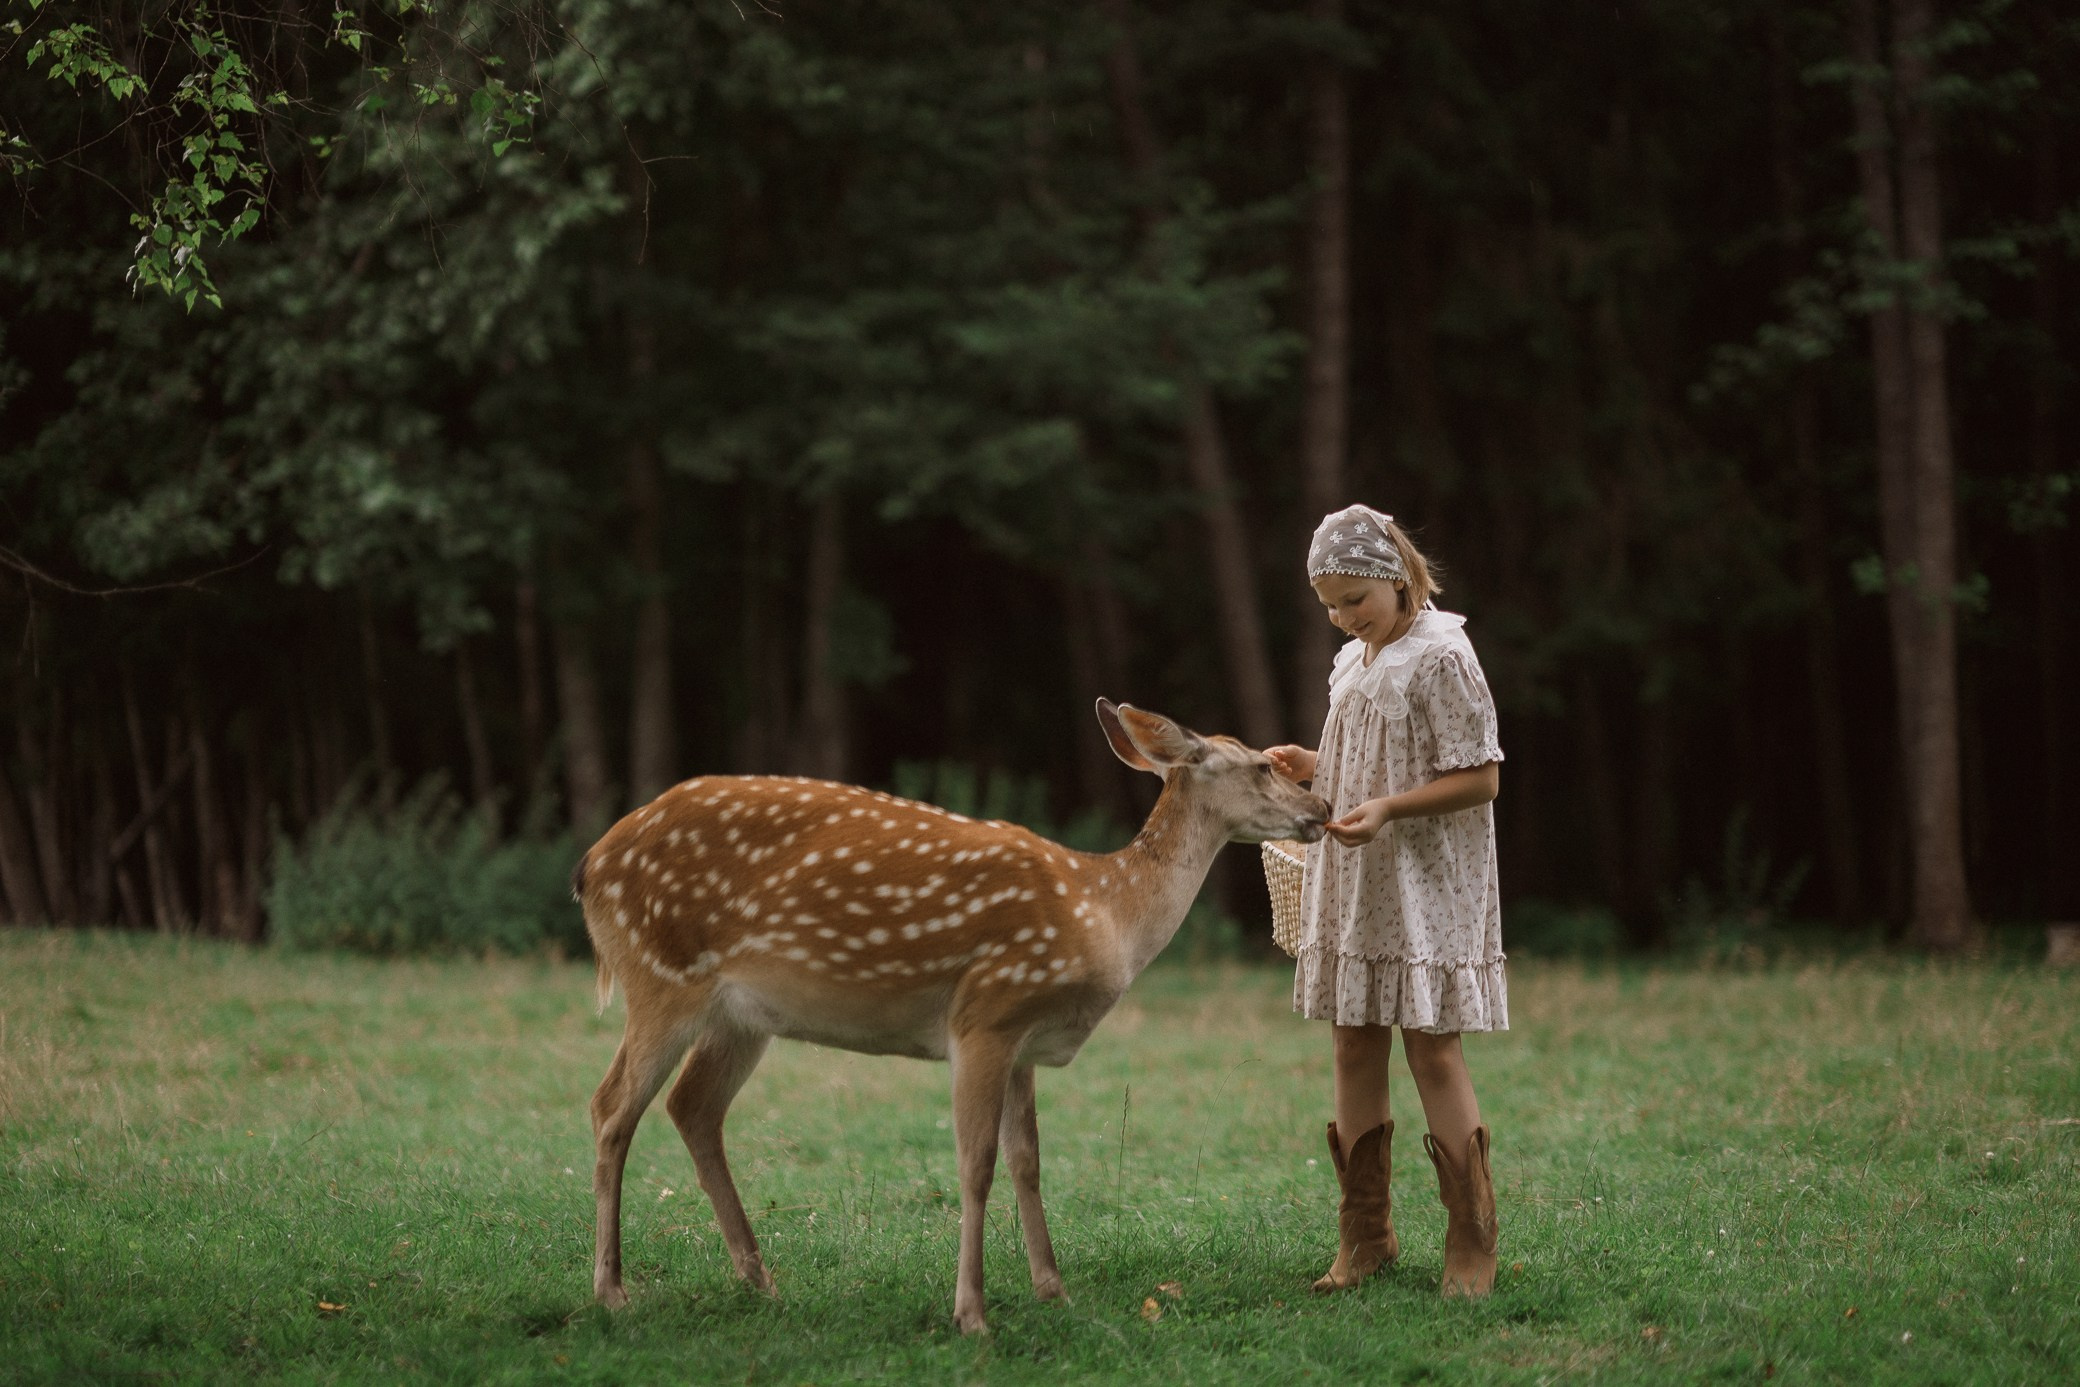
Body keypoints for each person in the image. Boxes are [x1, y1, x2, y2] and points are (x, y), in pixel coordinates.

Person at [1266, 503, 1506, 1299]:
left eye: (1354, 600)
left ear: (1397, 577)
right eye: (1329, 605)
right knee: (1352, 1041)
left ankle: (1471, 1238)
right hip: (1359, 875)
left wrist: (1391, 810)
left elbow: (1481, 777)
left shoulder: (1444, 656)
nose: (1342, 617)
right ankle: (1366, 1234)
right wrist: (1315, 764)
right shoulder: (1355, 659)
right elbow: (1371, 757)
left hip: (1423, 877)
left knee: (1431, 1048)